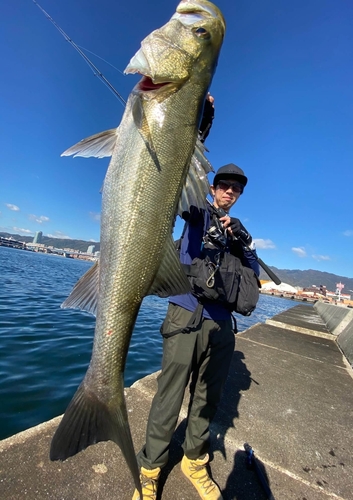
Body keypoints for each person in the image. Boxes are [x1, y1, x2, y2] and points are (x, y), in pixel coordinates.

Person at [132, 100, 260, 500]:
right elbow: (180, 169)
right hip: (186, 315)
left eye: (236, 190)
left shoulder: (237, 231)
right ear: (212, 187)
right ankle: (150, 469)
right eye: (224, 186)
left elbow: (253, 275)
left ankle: (194, 459)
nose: (230, 193)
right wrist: (201, 125)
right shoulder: (195, 210)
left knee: (208, 399)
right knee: (169, 396)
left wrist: (244, 241)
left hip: (223, 326)